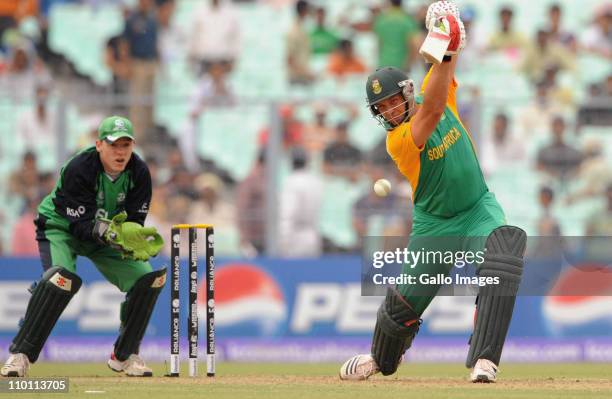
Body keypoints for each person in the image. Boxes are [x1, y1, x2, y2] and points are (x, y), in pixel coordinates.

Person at [339, 2, 526, 383]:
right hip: (435, 225)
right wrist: (444, 39)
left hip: (478, 209)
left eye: (393, 101)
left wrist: (449, 39)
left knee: (503, 255)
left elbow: (442, 79)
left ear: (407, 92)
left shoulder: (430, 91)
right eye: (383, 108)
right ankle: (379, 358)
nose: (390, 111)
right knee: (400, 311)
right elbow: (436, 106)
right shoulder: (400, 140)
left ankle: (485, 360)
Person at [1, 116, 165, 378]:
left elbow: (133, 222)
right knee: (59, 280)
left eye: (126, 145)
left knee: (148, 279)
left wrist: (133, 240)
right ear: (99, 144)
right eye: (114, 145)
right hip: (62, 227)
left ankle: (125, 355)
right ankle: (20, 355)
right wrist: (109, 232)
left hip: (104, 235)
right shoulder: (79, 167)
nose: (120, 152)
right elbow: (78, 224)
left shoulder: (140, 173)